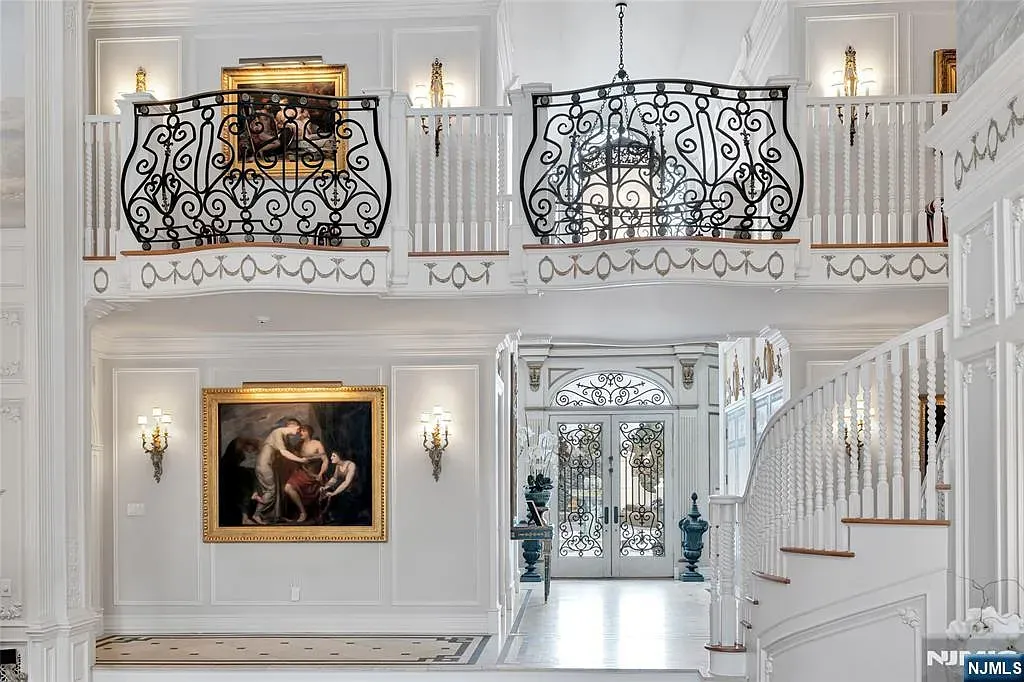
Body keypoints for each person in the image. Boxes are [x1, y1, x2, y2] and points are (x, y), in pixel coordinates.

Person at [252, 418, 306, 524]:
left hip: (271, 465)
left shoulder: (284, 437)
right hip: (264, 465)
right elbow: (284, 453)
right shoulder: (278, 432)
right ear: (292, 426)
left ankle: (275, 516)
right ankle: (256, 514)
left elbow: (289, 451)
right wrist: (301, 460)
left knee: (277, 490)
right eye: (298, 429)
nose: (298, 432)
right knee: (271, 491)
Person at [282, 424, 329, 523]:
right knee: (287, 487)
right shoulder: (299, 444)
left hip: (315, 475)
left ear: (309, 432)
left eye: (303, 431)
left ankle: (320, 514)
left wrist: (321, 474)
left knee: (323, 493)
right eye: (300, 431)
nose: (300, 433)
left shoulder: (316, 443)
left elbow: (325, 460)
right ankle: (303, 512)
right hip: (302, 473)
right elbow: (291, 454)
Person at [320, 451, 359, 524]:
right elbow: (334, 479)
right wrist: (325, 487)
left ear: (340, 456)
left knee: (340, 500)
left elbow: (346, 482)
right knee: (324, 493)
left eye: (334, 456)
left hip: (352, 490)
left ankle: (337, 518)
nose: (331, 458)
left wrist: (334, 493)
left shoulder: (351, 465)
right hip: (343, 488)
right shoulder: (338, 466)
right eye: (331, 456)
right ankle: (328, 516)